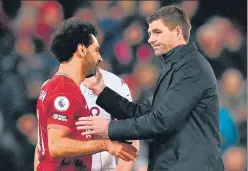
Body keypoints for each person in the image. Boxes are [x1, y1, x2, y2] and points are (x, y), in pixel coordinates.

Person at [76, 5, 224, 171]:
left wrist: (108, 128)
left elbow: (162, 121)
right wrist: (101, 90)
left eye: (157, 32)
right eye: (150, 33)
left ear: (177, 32)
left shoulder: (192, 68)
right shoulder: (173, 68)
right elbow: (140, 113)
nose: (150, 39)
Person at [34, 18, 137, 171]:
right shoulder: (64, 90)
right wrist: (106, 145)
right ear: (82, 50)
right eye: (96, 50)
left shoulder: (51, 86)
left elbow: (132, 136)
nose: (100, 58)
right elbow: (55, 145)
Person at [80, 68, 139, 171]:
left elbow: (132, 138)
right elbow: (42, 141)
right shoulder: (54, 85)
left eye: (96, 50)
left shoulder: (114, 83)